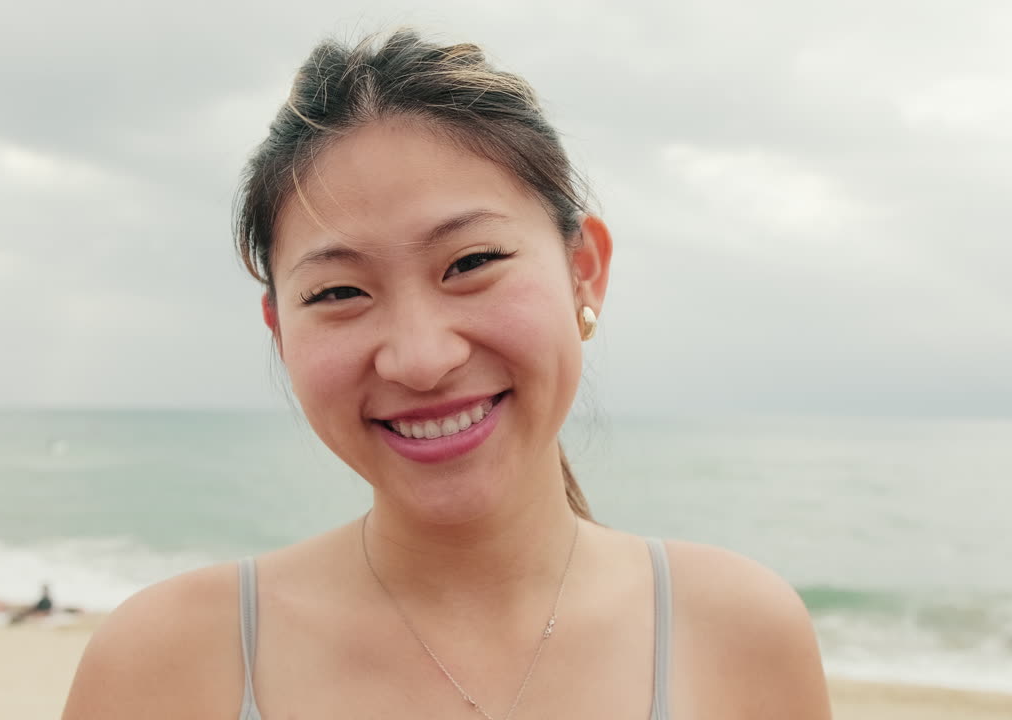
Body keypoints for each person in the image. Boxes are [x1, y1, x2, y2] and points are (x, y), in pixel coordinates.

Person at [63, 29, 832, 719]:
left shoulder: (738, 633)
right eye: (338, 292)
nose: (422, 358)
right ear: (281, 332)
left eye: (470, 263)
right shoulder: (165, 664)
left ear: (583, 273)